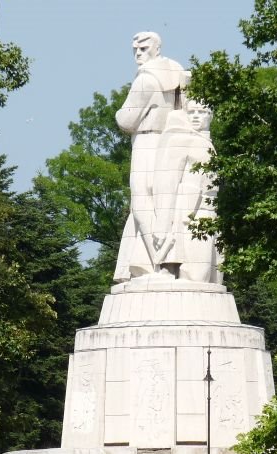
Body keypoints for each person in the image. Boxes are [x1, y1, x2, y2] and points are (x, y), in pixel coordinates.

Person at [113, 31, 185, 281]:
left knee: (142, 202)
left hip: (147, 140)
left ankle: (159, 261)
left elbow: (126, 119)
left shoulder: (146, 79)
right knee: (163, 203)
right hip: (171, 141)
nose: (138, 55)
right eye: (135, 50)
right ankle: (153, 263)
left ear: (156, 48)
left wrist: (118, 114)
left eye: (143, 49)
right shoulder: (177, 72)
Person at [149, 97, 220, 282]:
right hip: (190, 216)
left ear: (210, 115)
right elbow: (167, 180)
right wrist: (163, 222)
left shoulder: (207, 144)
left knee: (213, 276)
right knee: (197, 276)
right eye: (191, 112)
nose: (196, 116)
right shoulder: (180, 139)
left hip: (211, 213)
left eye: (202, 112)